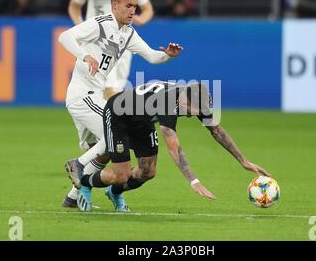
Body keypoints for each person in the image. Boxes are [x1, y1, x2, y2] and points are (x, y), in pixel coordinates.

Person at [58, 0, 183, 210]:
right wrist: (85, 55)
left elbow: (152, 57)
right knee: (113, 137)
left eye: (135, 6)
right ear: (114, 5)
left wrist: (168, 55)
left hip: (94, 96)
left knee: (102, 150)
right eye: (128, 5)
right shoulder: (100, 24)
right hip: (82, 96)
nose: (133, 10)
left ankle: (72, 198)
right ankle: (77, 164)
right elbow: (65, 37)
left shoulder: (128, 33)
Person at [73, 81, 271, 211]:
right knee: (121, 174)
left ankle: (114, 192)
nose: (194, 115)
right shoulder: (167, 103)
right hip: (118, 114)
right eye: (193, 111)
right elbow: (174, 148)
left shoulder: (195, 99)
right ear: (184, 100)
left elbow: (216, 131)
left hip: (142, 119)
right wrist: (194, 181)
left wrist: (243, 161)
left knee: (148, 171)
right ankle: (85, 183)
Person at [68, 0, 154, 99]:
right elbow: (74, 6)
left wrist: (142, 19)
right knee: (109, 88)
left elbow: (148, 8)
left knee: (115, 92)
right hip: (99, 43)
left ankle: (105, 118)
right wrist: (81, 27)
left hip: (122, 43)